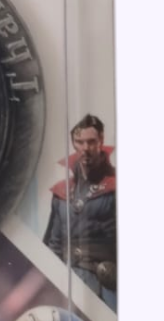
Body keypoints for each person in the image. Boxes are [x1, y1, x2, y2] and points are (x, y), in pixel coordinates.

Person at [43, 114, 116, 308]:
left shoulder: (115, 187)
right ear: (73, 144)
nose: (85, 148)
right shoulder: (62, 192)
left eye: (91, 142)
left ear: (101, 141)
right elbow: (53, 245)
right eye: (80, 142)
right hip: (66, 283)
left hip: (106, 288)